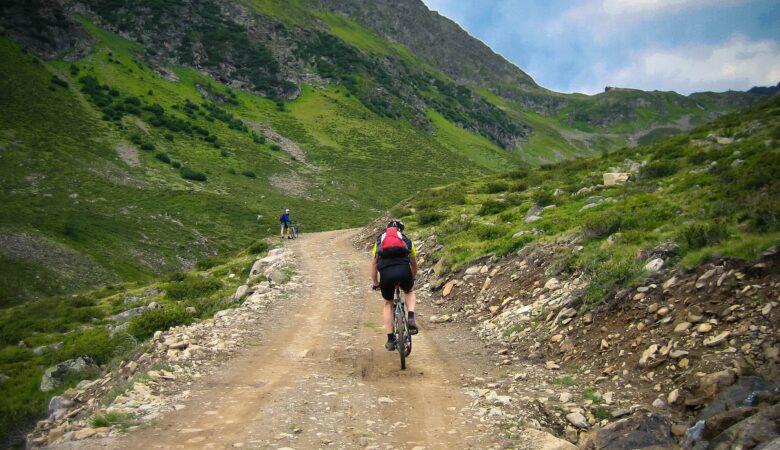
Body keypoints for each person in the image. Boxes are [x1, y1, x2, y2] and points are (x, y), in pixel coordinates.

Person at [370, 219, 419, 351]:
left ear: (388, 229)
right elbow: (414, 264)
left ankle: (391, 339)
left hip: (386, 274)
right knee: (409, 291)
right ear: (401, 230)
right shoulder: (406, 240)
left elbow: (374, 264)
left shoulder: (380, 241)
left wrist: (375, 283)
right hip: (404, 271)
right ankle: (411, 318)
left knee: (388, 303)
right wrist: (411, 278)